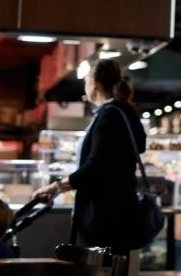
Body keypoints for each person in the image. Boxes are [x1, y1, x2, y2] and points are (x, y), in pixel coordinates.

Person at [34, 59, 146, 260]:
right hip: (120, 213)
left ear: (94, 82)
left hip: (102, 216)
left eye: (86, 80)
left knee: (98, 275)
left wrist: (56, 186)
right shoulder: (126, 112)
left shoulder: (108, 115)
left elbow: (95, 168)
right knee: (113, 275)